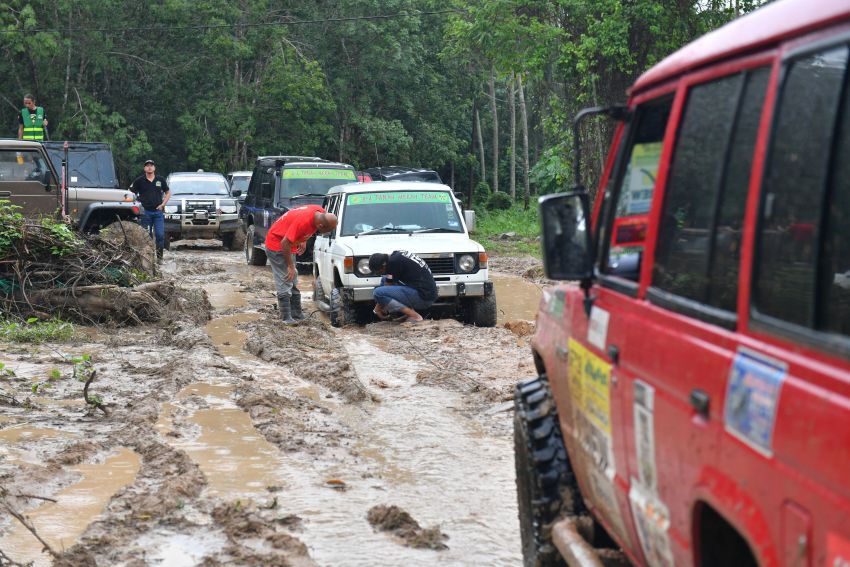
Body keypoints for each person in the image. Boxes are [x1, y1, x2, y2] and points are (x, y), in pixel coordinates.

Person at [266, 205, 338, 324]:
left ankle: (297, 314)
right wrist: (290, 265)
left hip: (289, 244)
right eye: (327, 231)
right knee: (286, 278)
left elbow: (298, 226)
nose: (327, 233)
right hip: (277, 245)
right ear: (320, 226)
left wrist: (303, 238)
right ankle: (286, 318)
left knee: (293, 278)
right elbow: (285, 243)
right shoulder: (303, 223)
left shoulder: (320, 211)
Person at [368, 251, 437, 323]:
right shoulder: (395, 257)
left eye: (379, 272)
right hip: (426, 293)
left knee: (378, 293)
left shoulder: (393, 263)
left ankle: (415, 316)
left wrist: (377, 308)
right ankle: (398, 315)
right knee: (384, 280)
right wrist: (380, 305)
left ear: (384, 265)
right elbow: (387, 282)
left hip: (424, 298)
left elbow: (387, 288)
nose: (380, 274)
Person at [129, 159, 170, 259]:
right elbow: (130, 192)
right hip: (145, 213)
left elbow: (168, 192)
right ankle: (148, 259)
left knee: (160, 236)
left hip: (158, 212)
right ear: (144, 168)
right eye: (147, 165)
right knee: (147, 236)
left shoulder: (160, 180)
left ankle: (159, 259)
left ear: (154, 168)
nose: (149, 167)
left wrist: (163, 204)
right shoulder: (139, 180)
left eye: (151, 165)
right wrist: (137, 203)